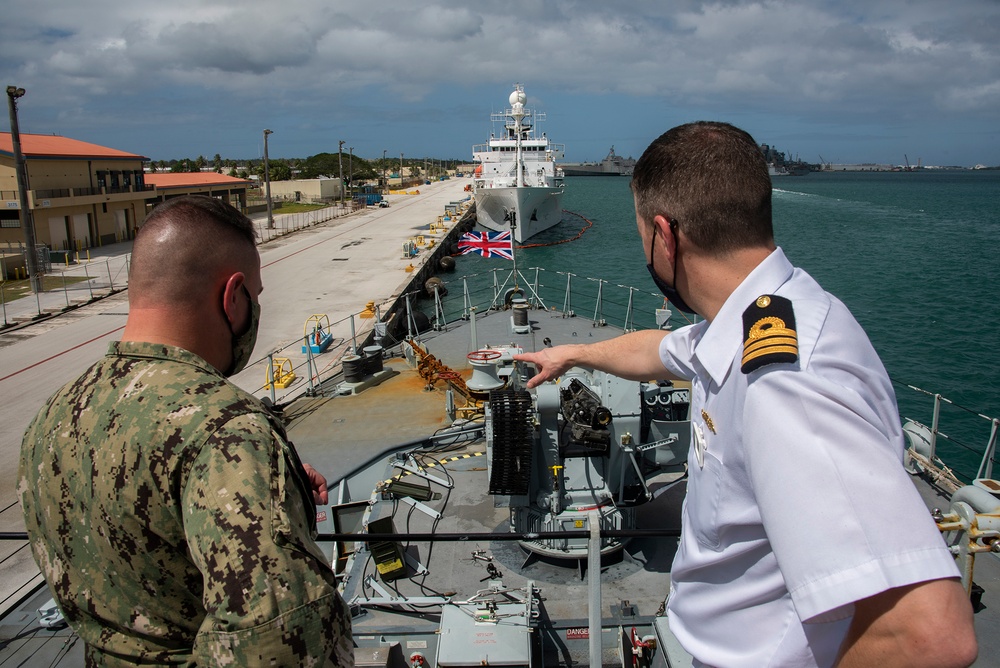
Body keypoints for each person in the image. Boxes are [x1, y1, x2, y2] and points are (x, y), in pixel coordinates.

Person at [515, 122, 977, 667]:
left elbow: (928, 635)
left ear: (666, 235)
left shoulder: (784, 384)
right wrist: (573, 353)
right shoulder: (755, 318)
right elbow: (659, 350)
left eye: (643, 236)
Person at [19, 195, 353, 666]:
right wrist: (251, 463)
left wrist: (271, 482)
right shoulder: (226, 429)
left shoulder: (53, 416)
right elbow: (275, 642)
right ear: (232, 296)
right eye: (254, 296)